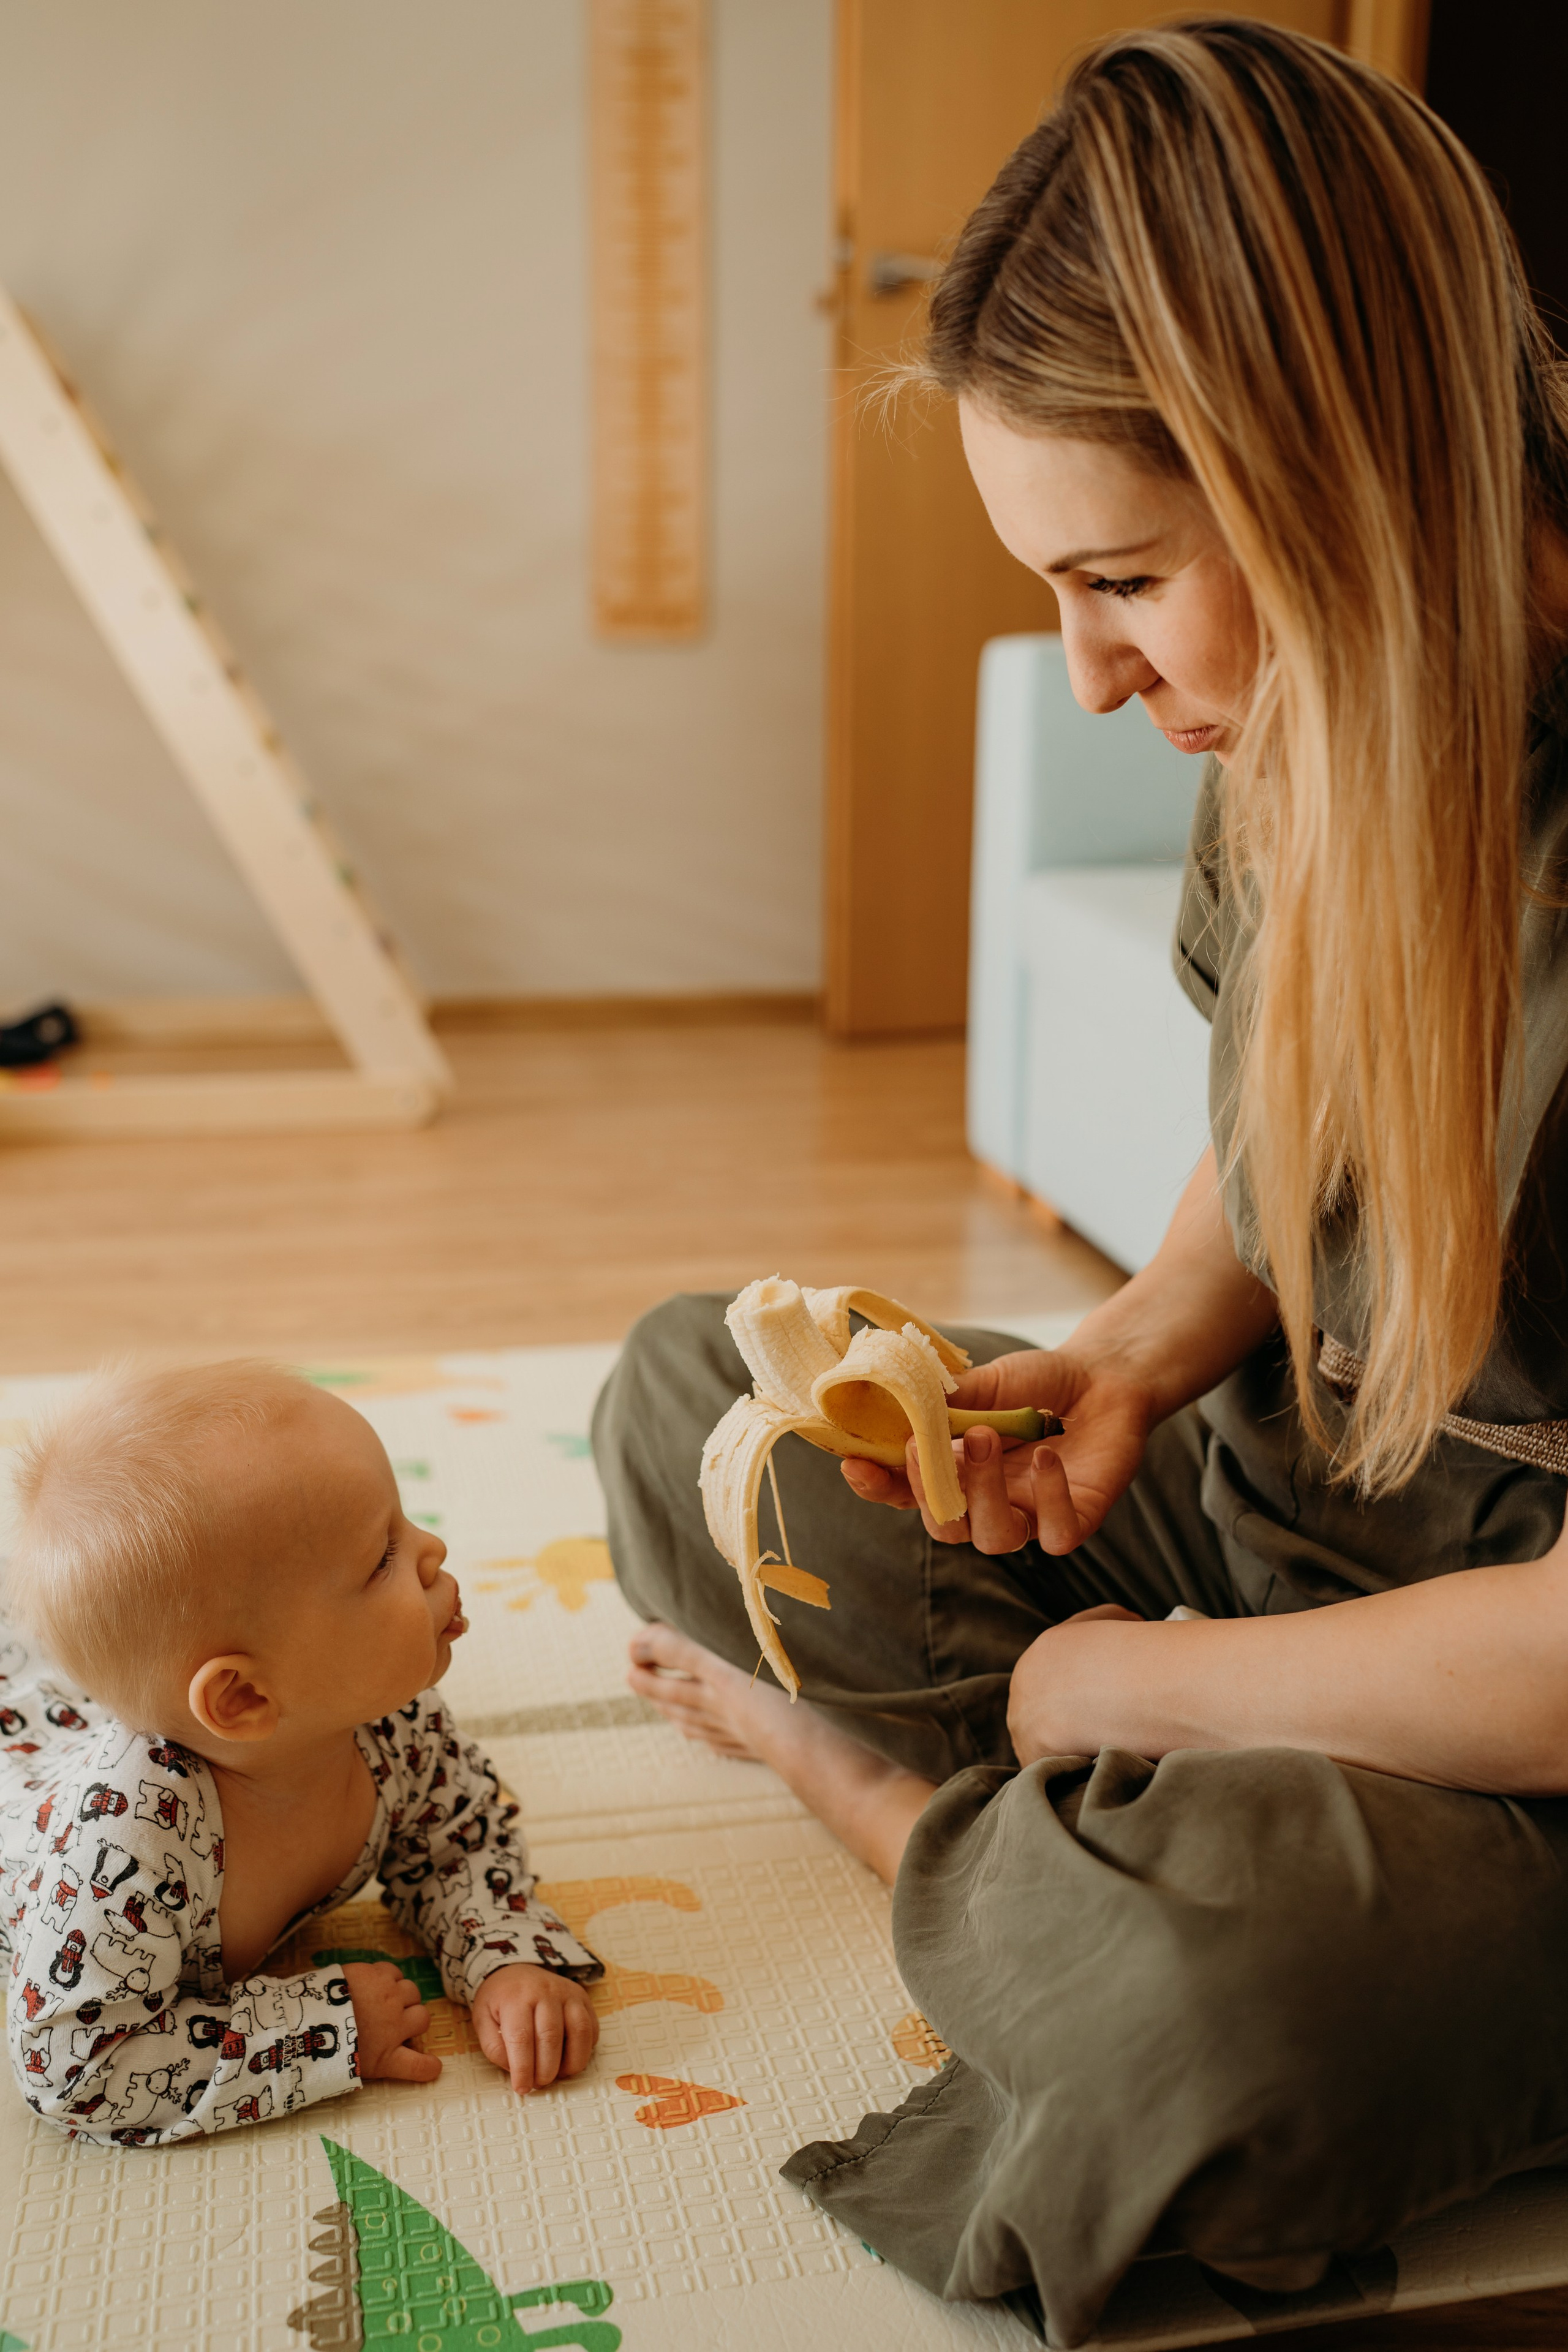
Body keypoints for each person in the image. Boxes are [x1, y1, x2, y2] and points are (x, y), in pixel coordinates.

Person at [591, 18, 1568, 2345]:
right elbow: (1283, 1150)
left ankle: (922, 1823)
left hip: (1514, 1707)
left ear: (1335, 472)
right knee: (692, 1408)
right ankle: (1088, 1814)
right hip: (1292, 1521)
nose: (1090, 675)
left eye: (1119, 577)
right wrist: (1132, 1345)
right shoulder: (1323, 695)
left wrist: (1097, 1689)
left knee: (1204, 2009)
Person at [0, 1361, 601, 2144]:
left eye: (405, 1520)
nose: (434, 1548)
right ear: (246, 1701)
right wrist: (323, 2024)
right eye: (382, 1557)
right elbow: (74, 2071)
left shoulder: (392, 1722)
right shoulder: (123, 1849)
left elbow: (458, 1846)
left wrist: (507, 1958)